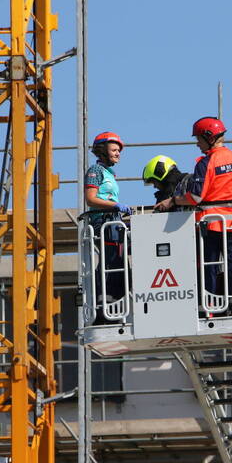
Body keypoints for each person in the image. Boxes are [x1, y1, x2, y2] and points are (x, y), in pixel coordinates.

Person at [154, 117, 232, 312]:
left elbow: (195, 196)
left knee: (209, 264)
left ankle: (210, 304)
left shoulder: (206, 163)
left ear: (209, 137)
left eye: (198, 138)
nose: (197, 143)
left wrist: (172, 200)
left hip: (214, 224)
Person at [84, 131, 131, 322]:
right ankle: (104, 305)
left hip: (112, 220)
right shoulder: (95, 171)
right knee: (110, 262)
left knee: (117, 263)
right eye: (114, 150)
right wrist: (115, 205)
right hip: (103, 221)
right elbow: (91, 199)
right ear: (103, 151)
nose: (118, 153)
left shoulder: (109, 173)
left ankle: (114, 301)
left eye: (119, 150)